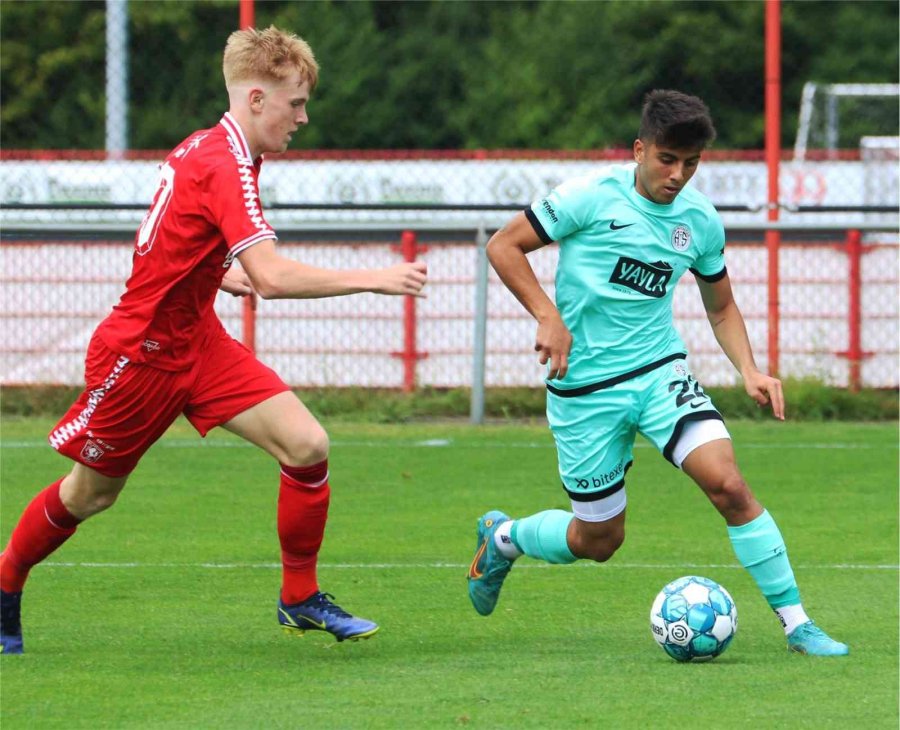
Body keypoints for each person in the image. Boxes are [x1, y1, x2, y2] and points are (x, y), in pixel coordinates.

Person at [0, 26, 428, 655]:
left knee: (307, 445)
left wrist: (213, 274)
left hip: (196, 340)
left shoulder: (207, 148)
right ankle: (6, 577)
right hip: (140, 356)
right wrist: (374, 277)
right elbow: (274, 279)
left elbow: (166, 237)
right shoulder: (222, 162)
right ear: (256, 99)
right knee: (91, 494)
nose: (304, 117)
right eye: (296, 103)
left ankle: (298, 597)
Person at [466, 90, 847, 657]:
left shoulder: (699, 220)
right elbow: (504, 246)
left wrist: (749, 369)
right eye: (667, 160)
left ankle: (798, 625)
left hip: (658, 374)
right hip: (584, 390)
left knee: (730, 485)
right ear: (641, 150)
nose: (677, 176)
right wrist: (549, 316)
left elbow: (720, 306)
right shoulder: (590, 197)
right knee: (598, 540)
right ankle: (503, 540)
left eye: (690, 164)